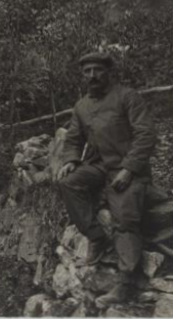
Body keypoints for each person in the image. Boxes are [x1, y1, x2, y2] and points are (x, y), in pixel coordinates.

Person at [56, 51, 157, 307]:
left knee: (124, 218)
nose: (92, 76)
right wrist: (70, 160)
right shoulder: (82, 106)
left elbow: (146, 135)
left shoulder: (127, 97)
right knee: (69, 182)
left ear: (108, 72)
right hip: (99, 167)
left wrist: (129, 169)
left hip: (127, 170)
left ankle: (125, 285)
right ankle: (97, 237)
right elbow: (73, 139)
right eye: (87, 71)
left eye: (97, 70)